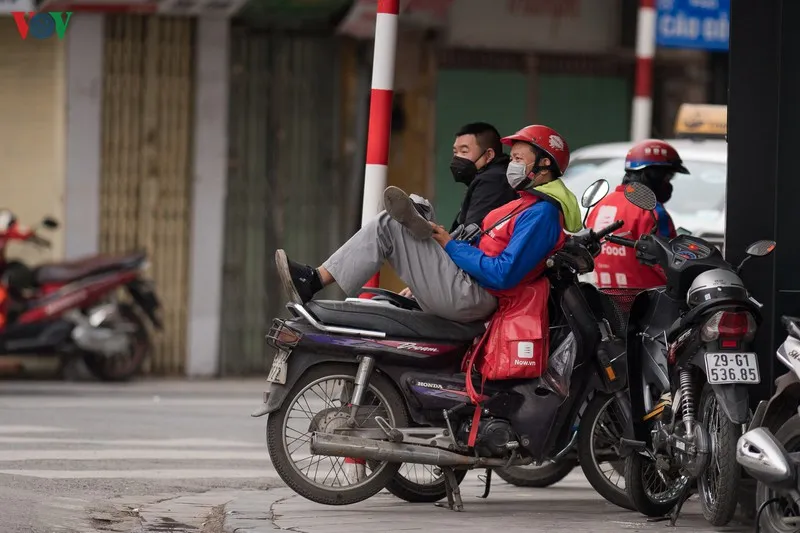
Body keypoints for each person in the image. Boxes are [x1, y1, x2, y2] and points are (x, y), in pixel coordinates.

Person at [274, 124, 582, 325]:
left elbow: (502, 273)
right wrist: (440, 253)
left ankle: (313, 281)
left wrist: (449, 246)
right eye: (511, 158)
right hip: (466, 281)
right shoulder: (523, 202)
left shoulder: (542, 214)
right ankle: (418, 221)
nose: (512, 165)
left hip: (476, 296)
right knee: (418, 210)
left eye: (517, 158)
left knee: (388, 225)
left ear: (544, 165)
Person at [585, 138, 688, 289]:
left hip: (607, 302)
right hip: (650, 304)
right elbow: (673, 265)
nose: (669, 184)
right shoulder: (653, 212)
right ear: (651, 175)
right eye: (667, 177)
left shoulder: (601, 205)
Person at [447, 122, 518, 232]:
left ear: (489, 155)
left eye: (464, 151)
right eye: (455, 152)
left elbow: (471, 234)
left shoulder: (492, 180)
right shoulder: (492, 175)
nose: (457, 157)